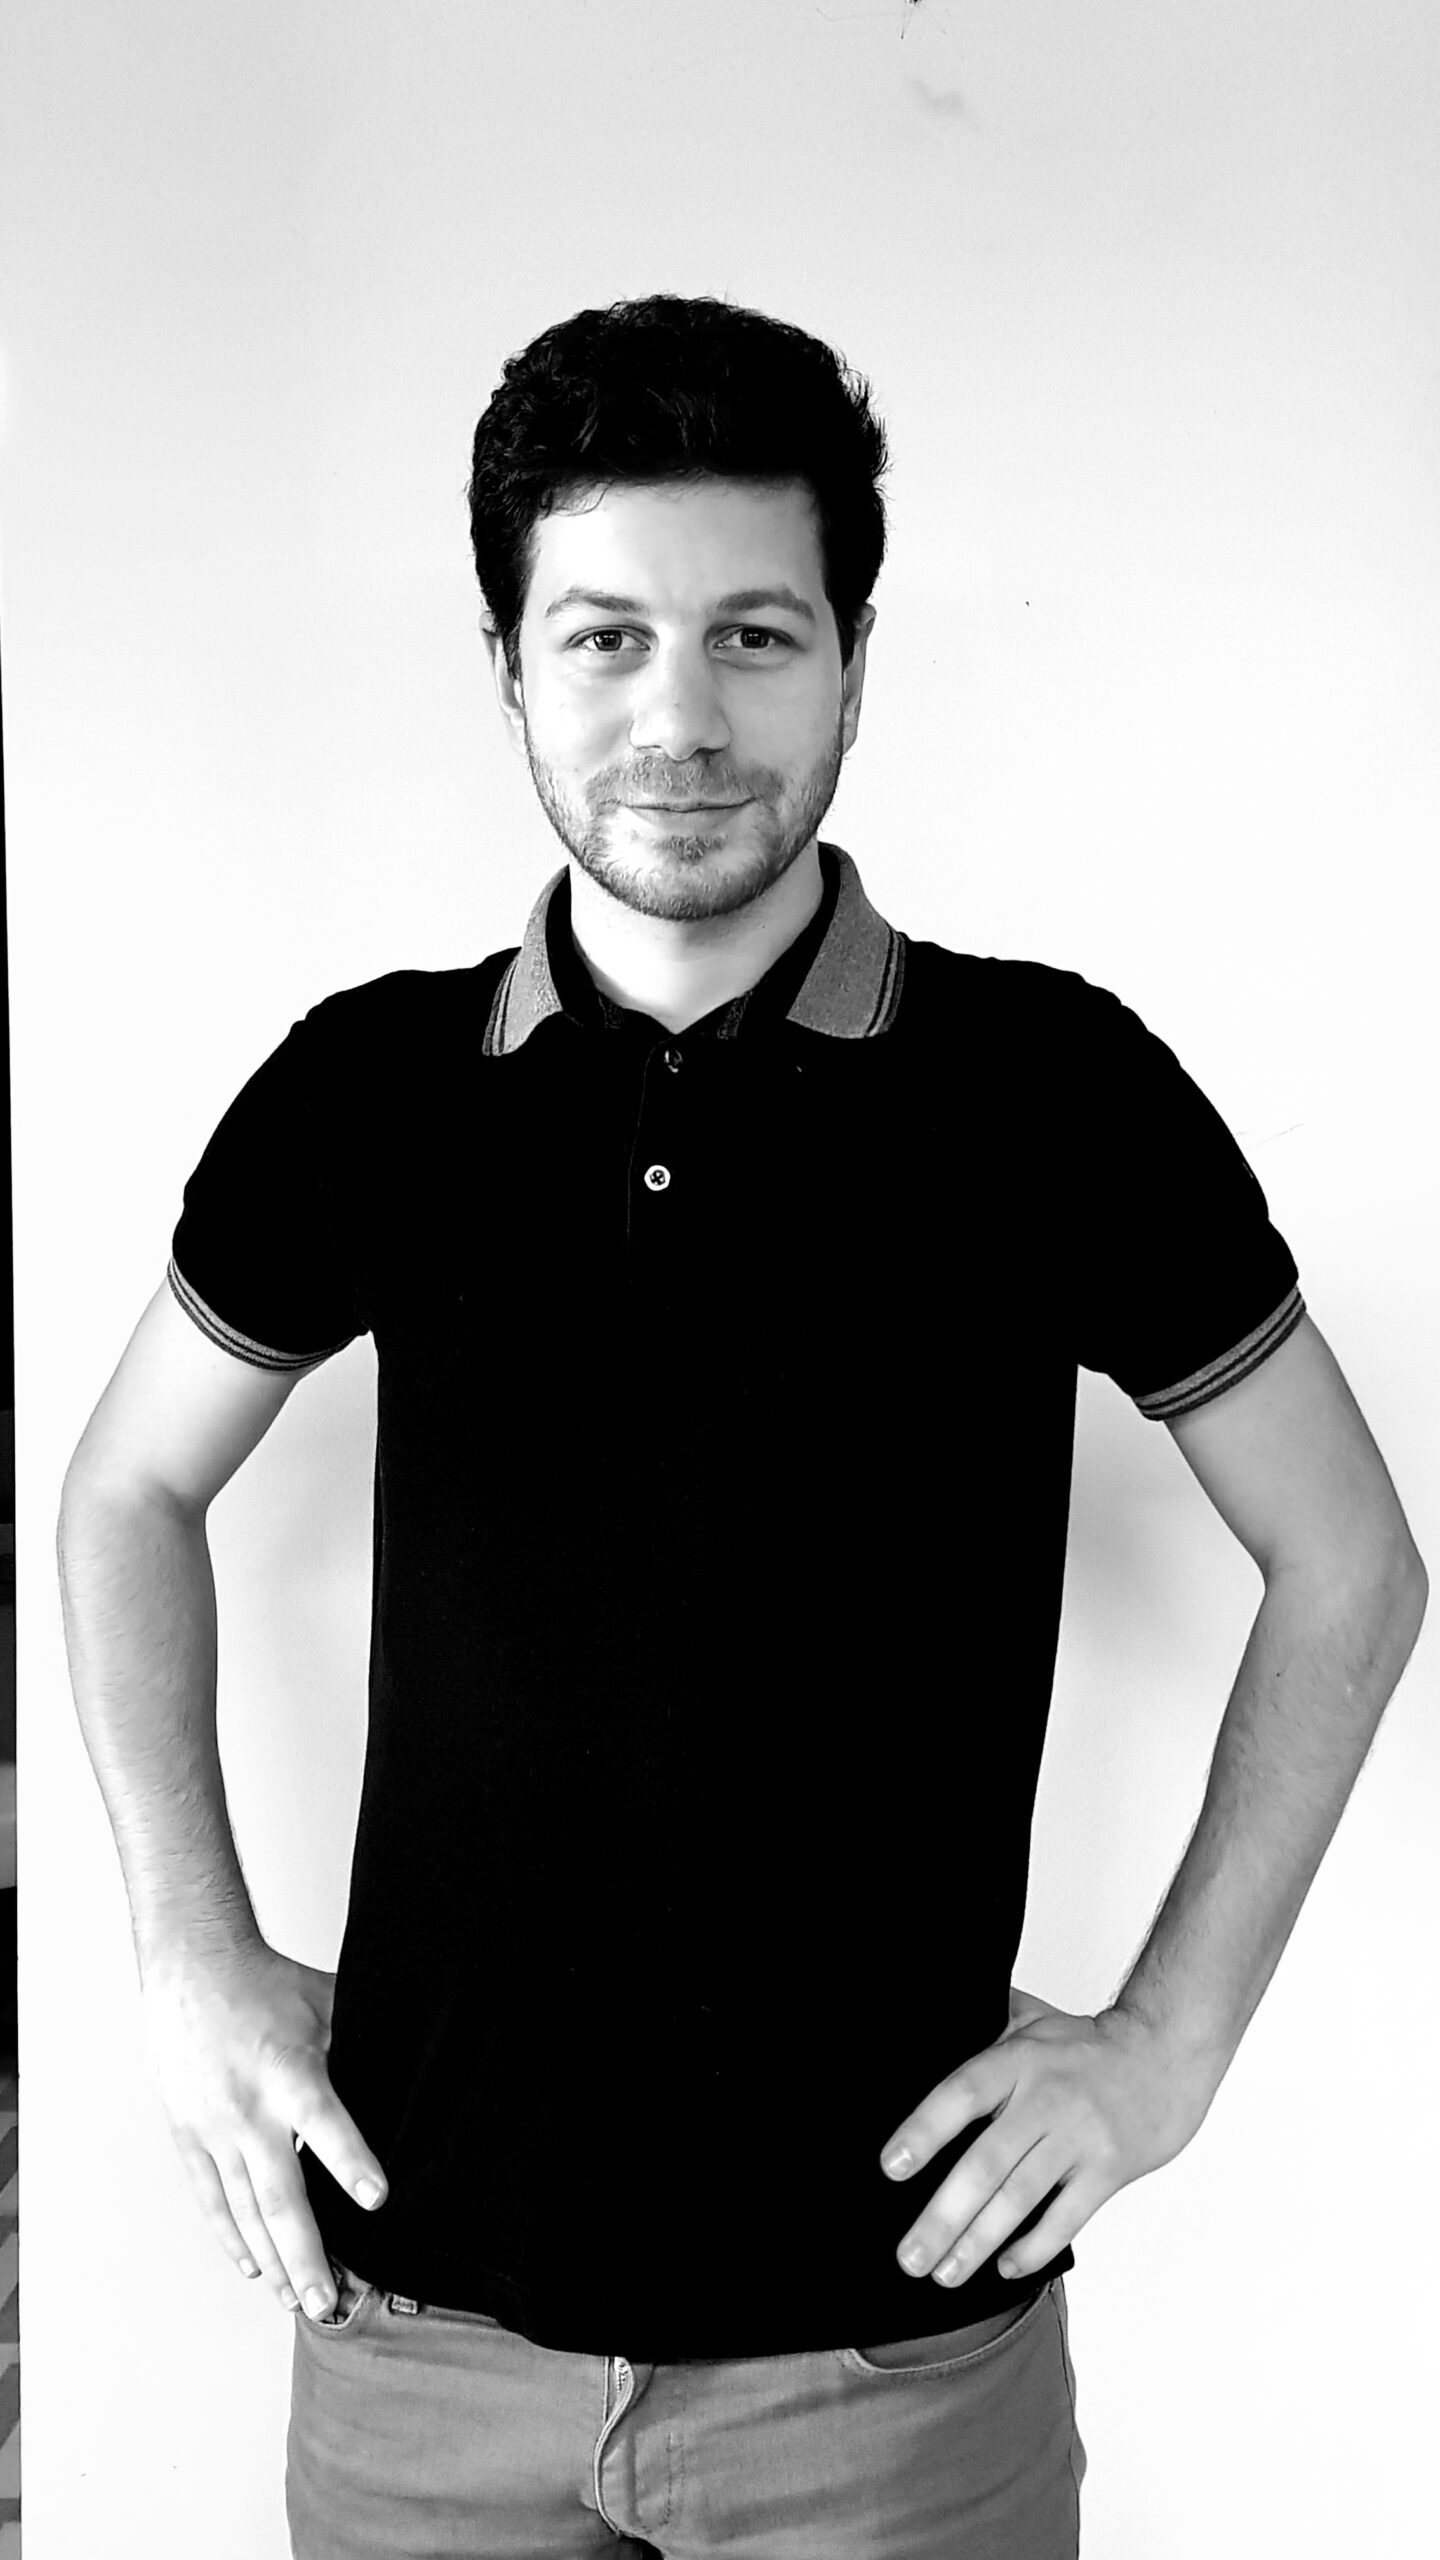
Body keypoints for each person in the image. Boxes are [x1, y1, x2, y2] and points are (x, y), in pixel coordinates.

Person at [57, 293, 1427, 2560]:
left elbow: (1353, 1560)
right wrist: (187, 1951)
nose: (678, 716)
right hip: (410, 2336)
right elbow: (128, 1481)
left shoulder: (1054, 1092)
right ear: (508, 668)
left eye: (754, 636)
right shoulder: (368, 1091)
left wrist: (1167, 2045)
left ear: (854, 664)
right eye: (603, 637)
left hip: (887, 2373)